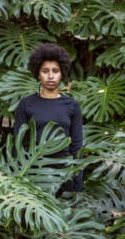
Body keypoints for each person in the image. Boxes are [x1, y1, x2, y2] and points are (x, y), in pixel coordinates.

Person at [13, 42, 84, 193]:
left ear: (62, 73)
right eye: (45, 71)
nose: (50, 76)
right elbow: (18, 145)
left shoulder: (72, 105)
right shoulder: (26, 105)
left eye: (55, 71)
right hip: (34, 172)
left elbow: (77, 146)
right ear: (38, 74)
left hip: (64, 174)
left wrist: (78, 183)